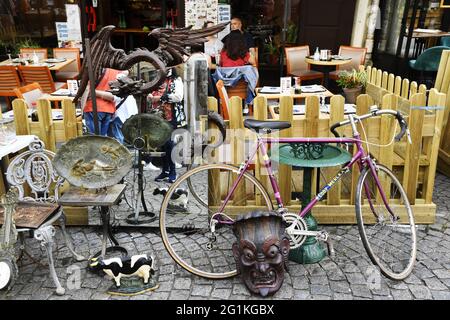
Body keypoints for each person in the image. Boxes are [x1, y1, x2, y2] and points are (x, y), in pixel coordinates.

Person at [146, 67, 186, 183]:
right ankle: (165, 170)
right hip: (157, 116)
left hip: (170, 116)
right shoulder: (157, 79)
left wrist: (160, 98)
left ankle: (172, 171)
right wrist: (150, 96)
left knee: (169, 143)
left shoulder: (176, 80)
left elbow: (178, 96)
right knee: (162, 144)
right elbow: (150, 91)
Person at [81, 68, 122, 136]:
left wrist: (82, 110)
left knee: (93, 138)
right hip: (109, 109)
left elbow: (86, 89)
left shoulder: (93, 69)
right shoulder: (115, 71)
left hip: (92, 107)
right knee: (102, 139)